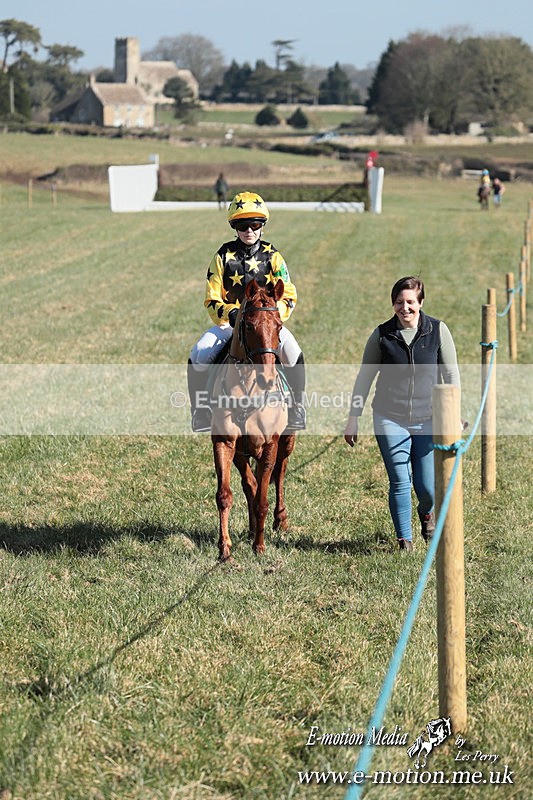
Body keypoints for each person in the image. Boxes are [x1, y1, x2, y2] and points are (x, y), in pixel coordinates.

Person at [344, 276, 461, 551]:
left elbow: (451, 374)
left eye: (410, 302)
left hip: (428, 418)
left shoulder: (437, 330)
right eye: (399, 302)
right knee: (399, 480)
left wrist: (453, 414)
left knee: (426, 487)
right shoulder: (382, 335)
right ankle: (404, 541)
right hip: (388, 416)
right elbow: (364, 377)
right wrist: (353, 417)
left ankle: (426, 513)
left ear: (420, 303)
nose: (404, 308)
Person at [188, 191, 306, 432]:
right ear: (235, 226)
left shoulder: (273, 256)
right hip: (228, 324)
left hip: (266, 326)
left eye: (254, 224)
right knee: (199, 353)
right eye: (243, 225)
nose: (249, 230)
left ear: (262, 226)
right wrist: (231, 315)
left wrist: (271, 319)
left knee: (293, 353)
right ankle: (200, 411)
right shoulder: (222, 256)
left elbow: (289, 294)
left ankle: (297, 408)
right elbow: (211, 297)